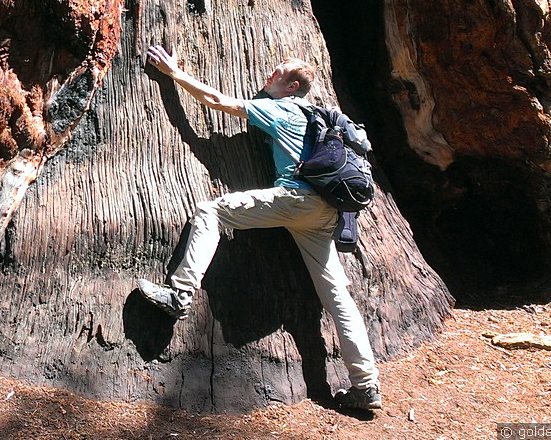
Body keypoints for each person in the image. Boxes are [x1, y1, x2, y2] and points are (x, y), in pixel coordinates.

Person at [137, 44, 382, 411]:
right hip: (325, 212)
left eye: (277, 74)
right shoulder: (319, 117)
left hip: (294, 199)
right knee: (337, 297)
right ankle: (366, 385)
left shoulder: (280, 108)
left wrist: (175, 74)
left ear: (291, 87)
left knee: (210, 212)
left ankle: (180, 294)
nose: (269, 76)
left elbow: (218, 101)